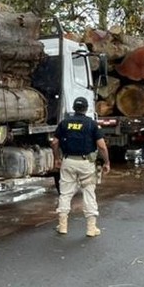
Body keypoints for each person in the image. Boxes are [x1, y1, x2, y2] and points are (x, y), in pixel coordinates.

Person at [50, 96, 110, 237]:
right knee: (89, 193)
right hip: (86, 164)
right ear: (86, 108)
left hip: (68, 161)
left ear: (74, 108)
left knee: (65, 193)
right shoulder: (91, 124)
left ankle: (63, 226)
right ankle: (91, 228)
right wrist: (106, 162)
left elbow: (54, 142)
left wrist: (57, 158)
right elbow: (101, 146)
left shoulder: (64, 123)